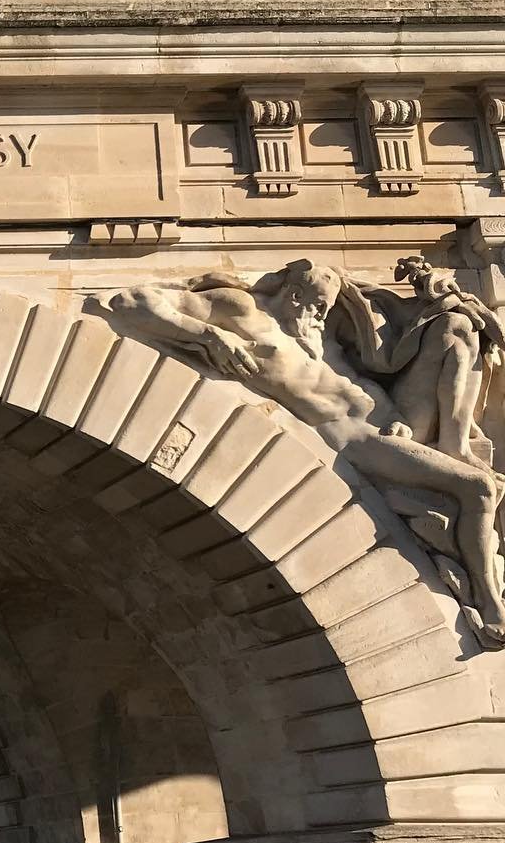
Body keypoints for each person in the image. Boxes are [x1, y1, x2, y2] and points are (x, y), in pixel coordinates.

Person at [109, 260, 505, 642]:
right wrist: (210, 336)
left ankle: (454, 447)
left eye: (328, 307)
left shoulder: (318, 336)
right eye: (317, 305)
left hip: (393, 420)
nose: (322, 315)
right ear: (293, 294)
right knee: (478, 489)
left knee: (456, 326)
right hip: (362, 439)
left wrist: (398, 411)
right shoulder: (245, 313)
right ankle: (489, 599)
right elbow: (133, 299)